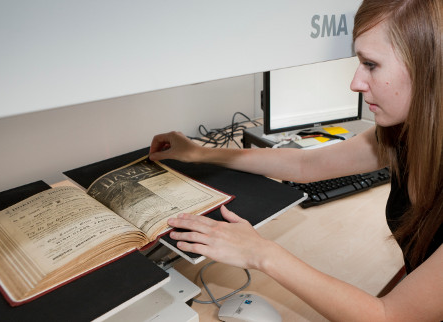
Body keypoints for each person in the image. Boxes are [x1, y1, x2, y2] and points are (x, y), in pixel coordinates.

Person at [149, 0, 443, 320]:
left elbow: (388, 316)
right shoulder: (404, 135)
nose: (355, 83)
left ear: (429, 68)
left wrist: (262, 253)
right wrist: (200, 153)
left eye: (371, 64)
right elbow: (305, 165)